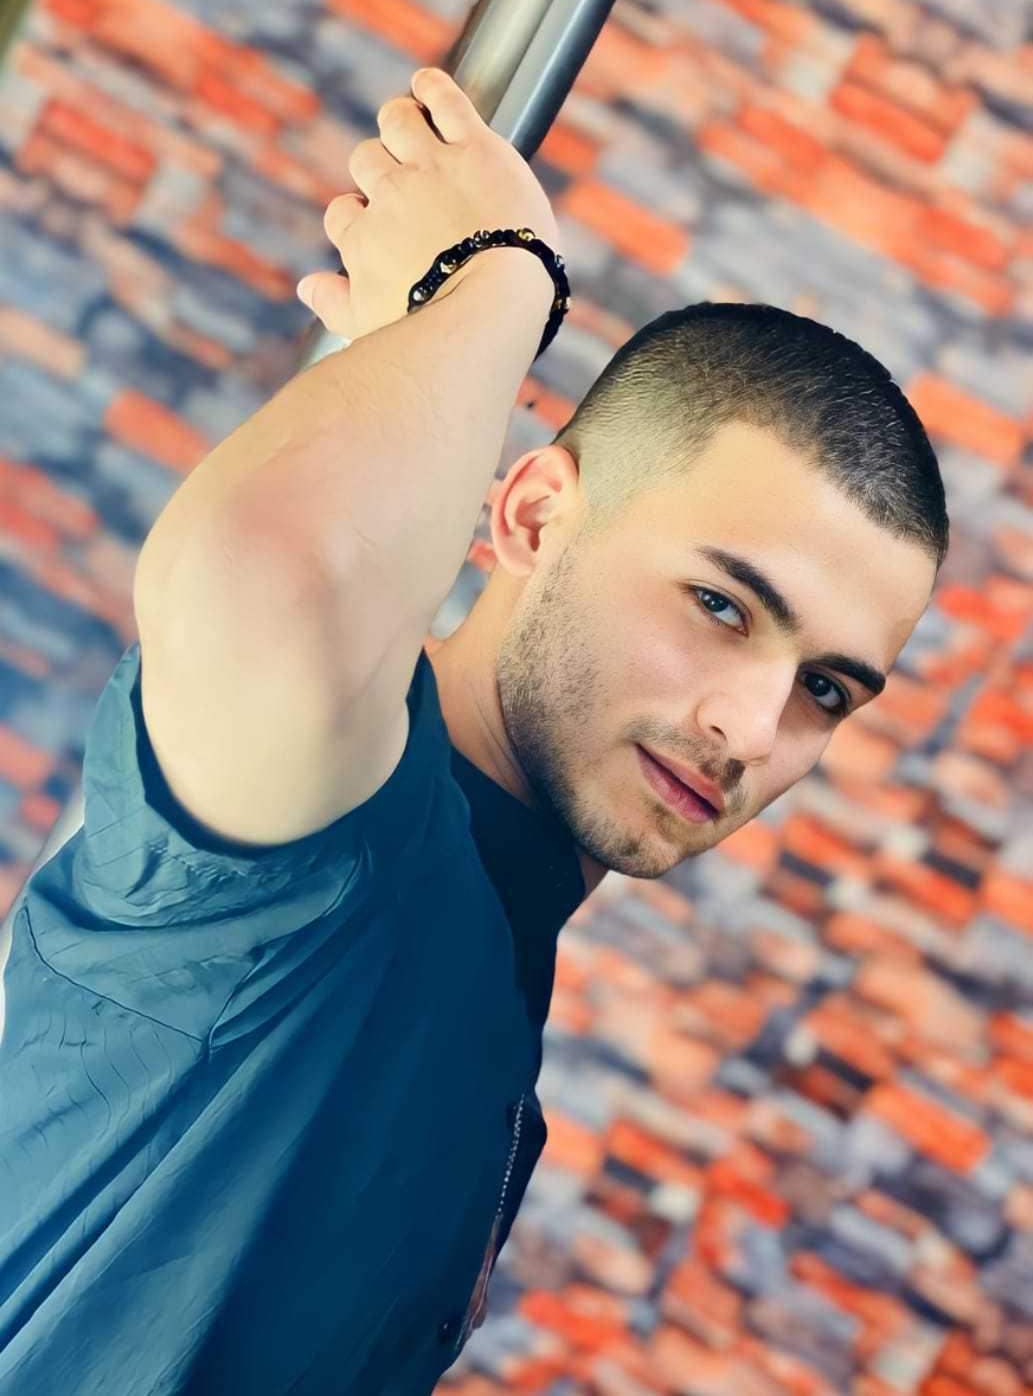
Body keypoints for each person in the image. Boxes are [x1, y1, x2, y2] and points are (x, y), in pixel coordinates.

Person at [0, 67, 947, 1394]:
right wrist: (501, 274)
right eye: (721, 606)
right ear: (532, 516)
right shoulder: (335, 841)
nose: (751, 726)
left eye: (826, 690)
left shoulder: (496, 970)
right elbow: (260, 578)